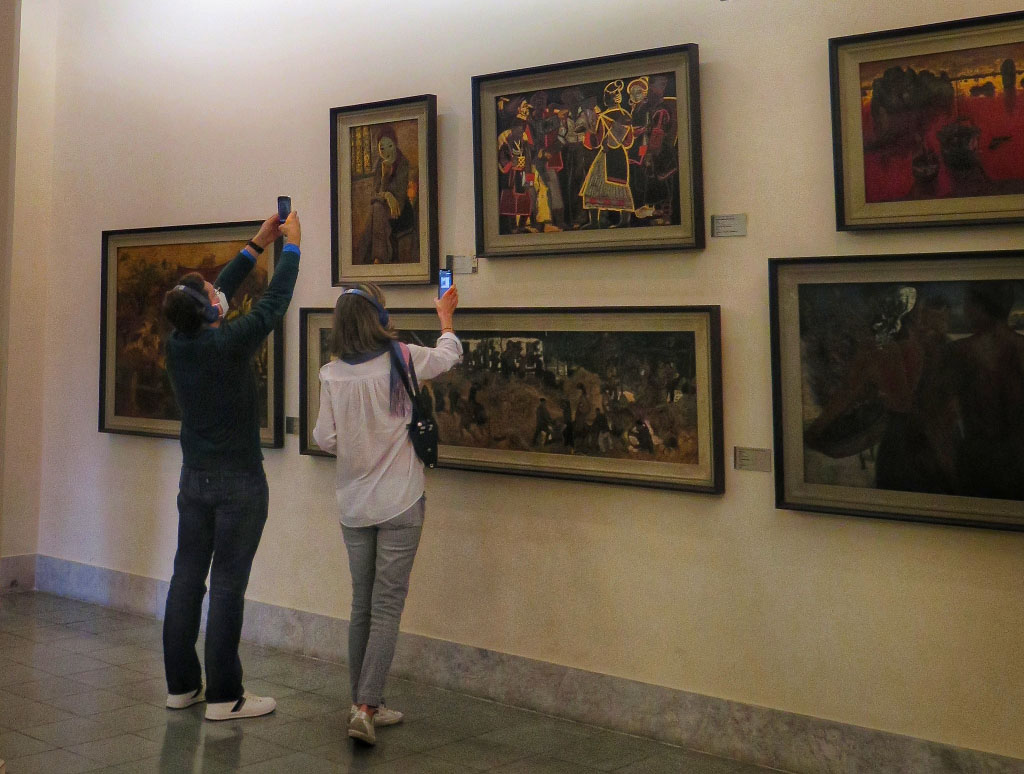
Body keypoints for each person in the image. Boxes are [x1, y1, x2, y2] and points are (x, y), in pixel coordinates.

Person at [161, 211, 301, 721]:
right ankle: (224, 696)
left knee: (186, 579)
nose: (218, 294)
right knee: (226, 586)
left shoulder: (179, 344)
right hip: (239, 481)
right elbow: (274, 302)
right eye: (211, 295)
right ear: (210, 311)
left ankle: (182, 686)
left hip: (193, 480)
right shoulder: (226, 343)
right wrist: (292, 249)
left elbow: (213, 294)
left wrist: (258, 243)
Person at [312, 282, 461, 745]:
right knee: (387, 606)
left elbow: (324, 438)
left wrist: (358, 441)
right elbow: (449, 356)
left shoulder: (331, 374)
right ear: (377, 317)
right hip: (401, 500)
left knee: (362, 603)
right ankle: (366, 708)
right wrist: (445, 319)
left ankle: (360, 701)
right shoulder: (402, 358)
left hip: (354, 506)